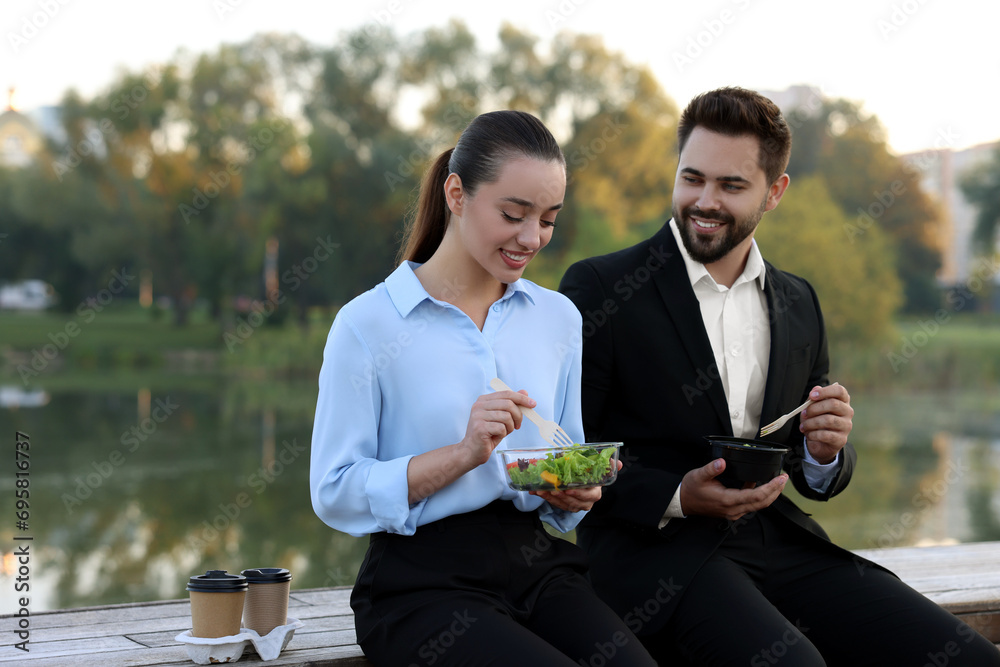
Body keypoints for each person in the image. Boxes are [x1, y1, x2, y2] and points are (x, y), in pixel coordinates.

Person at [558, 87, 1000, 666]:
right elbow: (568, 453)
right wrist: (677, 496)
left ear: (774, 192)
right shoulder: (598, 286)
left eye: (731, 185)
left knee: (965, 656)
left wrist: (823, 452)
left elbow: (807, 466)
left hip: (780, 543)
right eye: (692, 178)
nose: (704, 200)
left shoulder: (798, 300)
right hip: (655, 556)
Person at [310, 110, 657, 667]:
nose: (531, 238)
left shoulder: (557, 318)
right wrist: (463, 454)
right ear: (456, 193)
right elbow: (333, 490)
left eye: (547, 219)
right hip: (422, 582)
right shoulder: (368, 324)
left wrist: (574, 491)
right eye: (513, 214)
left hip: (539, 566)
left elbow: (561, 458)